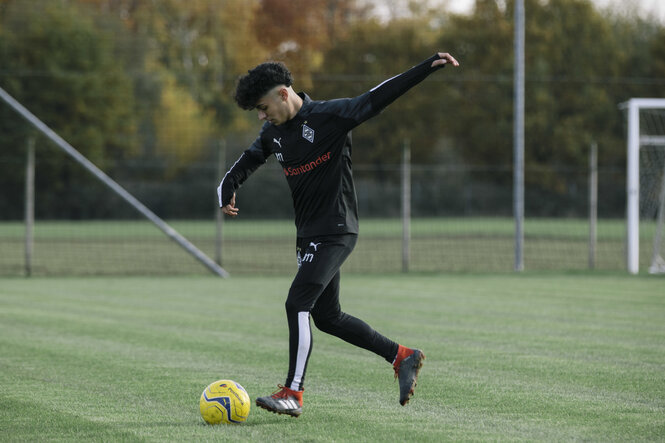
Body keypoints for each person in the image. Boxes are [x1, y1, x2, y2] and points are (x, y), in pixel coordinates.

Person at [217, 52, 459, 417]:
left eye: (263, 107)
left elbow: (376, 98)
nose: (261, 116)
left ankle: (292, 393)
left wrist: (424, 69)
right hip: (308, 235)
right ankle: (402, 357)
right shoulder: (273, 133)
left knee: (296, 302)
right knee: (327, 316)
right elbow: (250, 158)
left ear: (284, 94)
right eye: (257, 111)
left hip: (337, 229)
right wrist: (227, 185)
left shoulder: (330, 116)